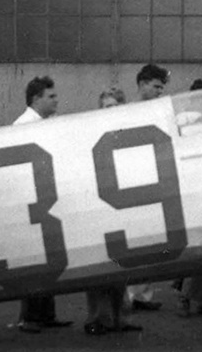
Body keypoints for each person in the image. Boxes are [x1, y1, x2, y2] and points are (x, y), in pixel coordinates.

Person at [11, 76, 70, 333]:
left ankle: (46, 315)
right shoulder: (21, 127)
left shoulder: (49, 123)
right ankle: (30, 317)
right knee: (34, 260)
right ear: (36, 99)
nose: (56, 100)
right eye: (51, 96)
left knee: (48, 259)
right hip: (30, 202)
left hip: (46, 200)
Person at [84, 89, 141, 336]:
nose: (110, 110)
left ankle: (122, 317)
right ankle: (99, 317)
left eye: (114, 105)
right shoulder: (92, 133)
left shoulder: (129, 131)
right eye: (105, 106)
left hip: (122, 203)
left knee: (123, 267)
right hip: (100, 206)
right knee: (99, 267)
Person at [127, 64, 171, 312]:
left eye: (161, 88)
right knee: (133, 240)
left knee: (151, 239)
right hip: (133, 181)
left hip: (153, 179)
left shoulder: (158, 111)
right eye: (155, 86)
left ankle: (143, 294)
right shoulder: (128, 112)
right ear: (142, 84)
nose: (159, 92)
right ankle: (129, 294)